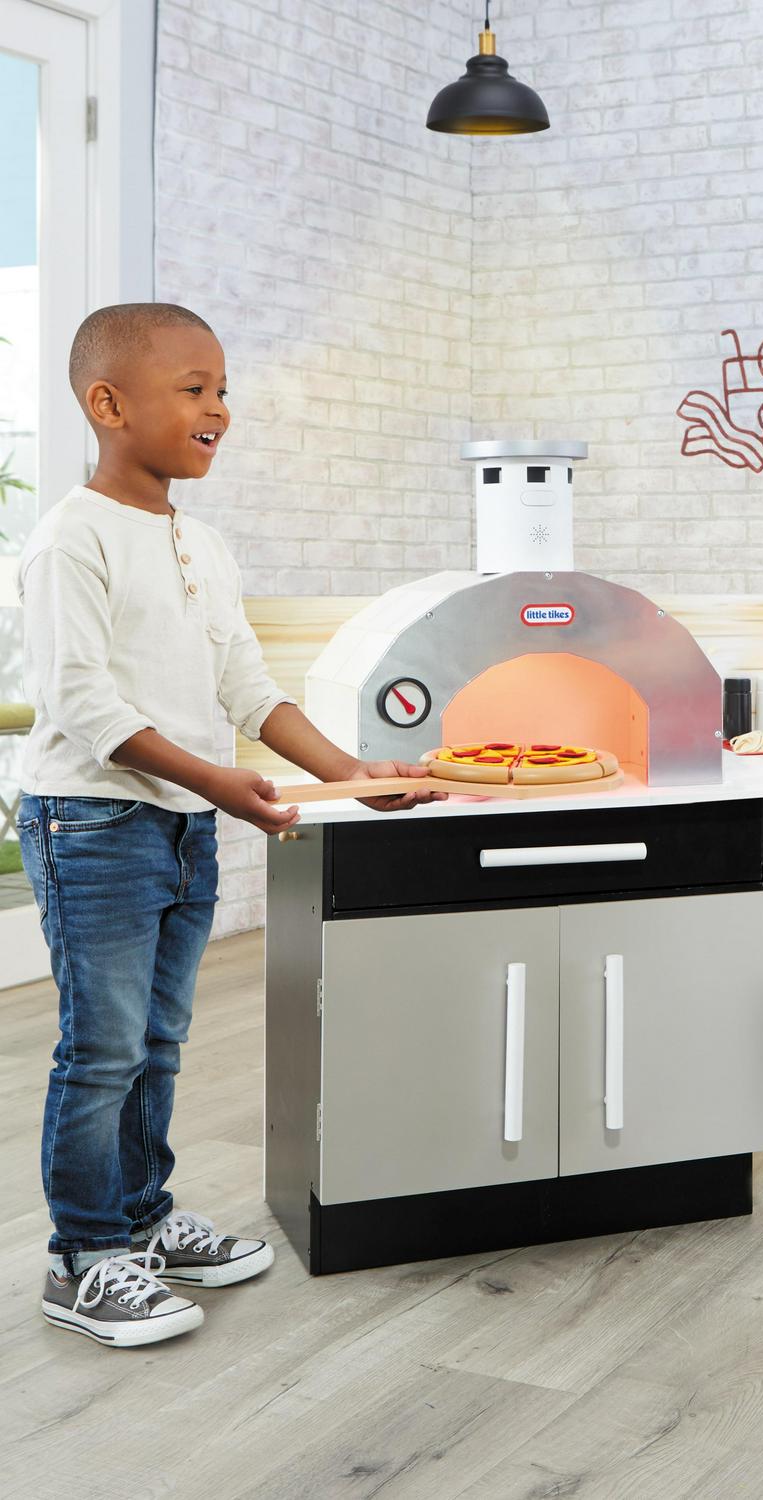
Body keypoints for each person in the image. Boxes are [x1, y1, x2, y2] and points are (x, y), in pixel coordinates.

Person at [17, 303, 443, 1346]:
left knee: (157, 1044)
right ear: (108, 404)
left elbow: (247, 686)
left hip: (179, 827)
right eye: (193, 389)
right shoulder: (71, 539)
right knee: (102, 1050)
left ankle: (141, 1221)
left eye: (221, 390)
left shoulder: (200, 542)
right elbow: (82, 704)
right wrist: (217, 781)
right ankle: (83, 1257)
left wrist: (351, 776)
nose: (219, 408)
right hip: (92, 826)